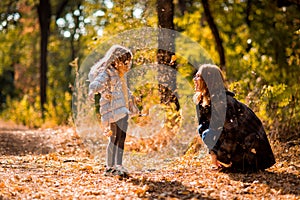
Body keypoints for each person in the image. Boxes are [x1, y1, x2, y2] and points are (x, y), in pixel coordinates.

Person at [193, 64, 276, 172]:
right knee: (205, 131)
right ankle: (233, 161)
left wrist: (223, 157)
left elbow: (232, 131)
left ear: (207, 79)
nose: (194, 79)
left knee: (212, 133)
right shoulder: (202, 101)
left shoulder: (222, 101)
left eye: (198, 76)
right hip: (239, 144)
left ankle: (238, 162)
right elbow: (205, 128)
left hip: (256, 154)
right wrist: (213, 153)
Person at [88, 45, 138, 177]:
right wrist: (93, 90)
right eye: (125, 62)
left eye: (128, 62)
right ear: (116, 60)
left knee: (121, 137)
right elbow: (97, 82)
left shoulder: (120, 75)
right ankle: (111, 166)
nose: (127, 65)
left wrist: (132, 99)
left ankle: (116, 165)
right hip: (112, 110)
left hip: (122, 110)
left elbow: (123, 91)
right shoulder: (108, 72)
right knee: (114, 138)